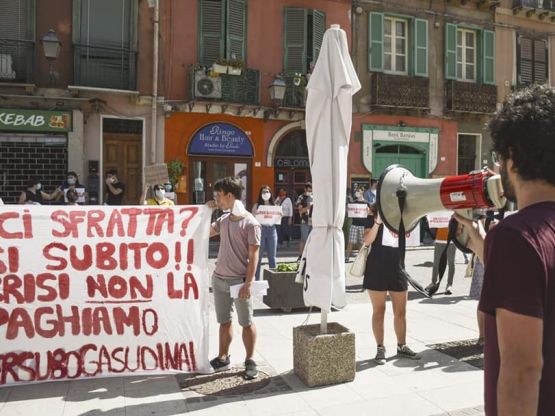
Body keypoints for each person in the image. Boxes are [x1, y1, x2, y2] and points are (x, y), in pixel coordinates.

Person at [455, 85, 555, 416]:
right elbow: (539, 284)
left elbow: (522, 370)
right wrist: (482, 241)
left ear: (511, 157)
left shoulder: (516, 237)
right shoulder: (520, 240)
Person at [207, 176, 261, 380]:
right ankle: (223, 358)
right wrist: (207, 211)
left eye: (219, 196)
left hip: (239, 281)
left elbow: (254, 256)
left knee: (246, 322)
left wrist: (248, 284)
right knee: (224, 321)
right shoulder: (223, 220)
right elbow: (204, 233)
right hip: (219, 279)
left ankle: (250, 360)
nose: (217, 200)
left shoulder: (251, 223)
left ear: (230, 196)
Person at [362, 204, 420, 364]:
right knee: (379, 311)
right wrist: (378, 222)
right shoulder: (373, 212)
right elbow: (367, 240)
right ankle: (380, 348)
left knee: (401, 312)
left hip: (397, 268)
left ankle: (402, 346)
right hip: (376, 268)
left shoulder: (403, 213)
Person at [252, 185, 278, 280]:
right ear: (260, 194)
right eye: (263, 192)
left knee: (272, 257)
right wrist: (255, 213)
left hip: (272, 231)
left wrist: (280, 215)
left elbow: (277, 219)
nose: (266, 193)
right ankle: (256, 280)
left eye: (267, 191)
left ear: (270, 194)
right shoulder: (257, 205)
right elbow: (252, 218)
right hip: (260, 231)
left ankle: (274, 280)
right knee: (258, 257)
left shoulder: (274, 206)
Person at [425, 227, 456, 295]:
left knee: (451, 263)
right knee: (436, 263)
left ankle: (449, 285)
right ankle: (433, 282)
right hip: (439, 240)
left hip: (451, 241)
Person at [346, 186, 370, 261]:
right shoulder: (353, 202)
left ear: (362, 192)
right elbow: (348, 211)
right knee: (351, 242)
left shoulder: (366, 203)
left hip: (363, 225)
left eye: (359, 191)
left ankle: (360, 258)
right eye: (356, 191)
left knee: (362, 243)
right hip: (354, 224)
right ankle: (347, 257)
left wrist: (368, 210)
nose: (357, 192)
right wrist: (348, 209)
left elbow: (369, 213)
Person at [296, 182, 313, 259]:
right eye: (308, 190)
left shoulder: (313, 197)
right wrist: (308, 207)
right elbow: (300, 211)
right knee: (304, 238)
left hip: (313, 221)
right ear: (305, 189)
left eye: (311, 190)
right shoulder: (301, 197)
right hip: (304, 221)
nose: (309, 192)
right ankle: (301, 255)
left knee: (312, 239)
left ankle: (309, 255)